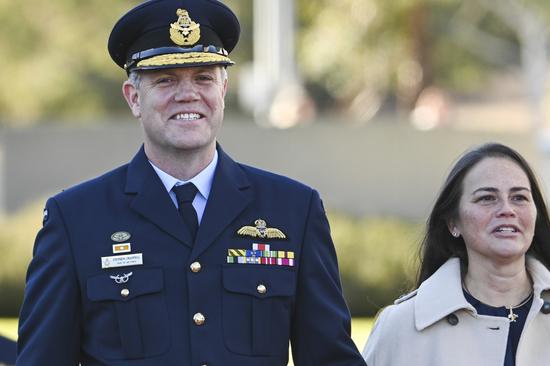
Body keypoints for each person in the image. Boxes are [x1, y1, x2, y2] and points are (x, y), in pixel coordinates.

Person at [17, 1, 365, 365]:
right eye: (165, 80)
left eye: (203, 77)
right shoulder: (75, 220)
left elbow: (330, 358)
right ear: (134, 98)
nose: (188, 94)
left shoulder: (293, 210)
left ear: (223, 89)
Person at [363, 143, 550, 365]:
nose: (507, 209)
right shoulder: (399, 328)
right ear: (453, 222)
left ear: (535, 216)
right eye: (487, 198)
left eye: (520, 197)